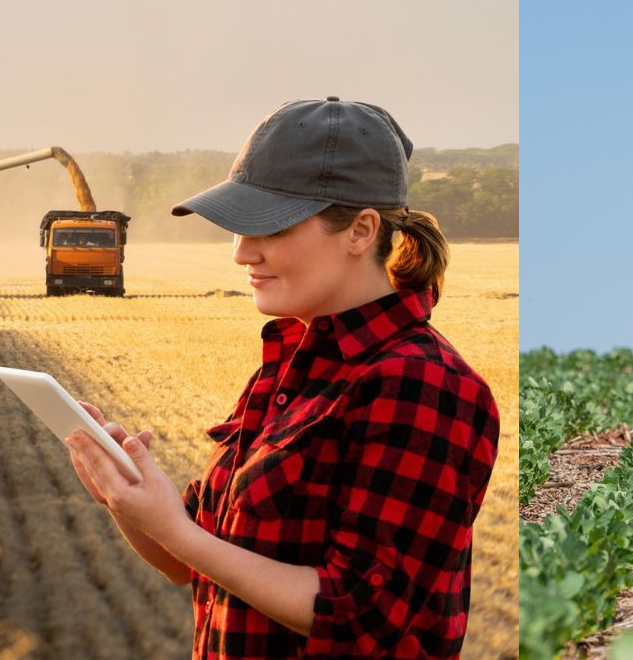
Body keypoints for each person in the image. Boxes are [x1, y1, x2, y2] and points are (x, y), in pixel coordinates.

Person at [63, 97, 501, 659]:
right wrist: (124, 496)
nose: (242, 254)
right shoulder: (296, 363)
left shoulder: (423, 385)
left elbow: (358, 616)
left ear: (361, 231)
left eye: (267, 227)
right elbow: (190, 560)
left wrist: (175, 530)